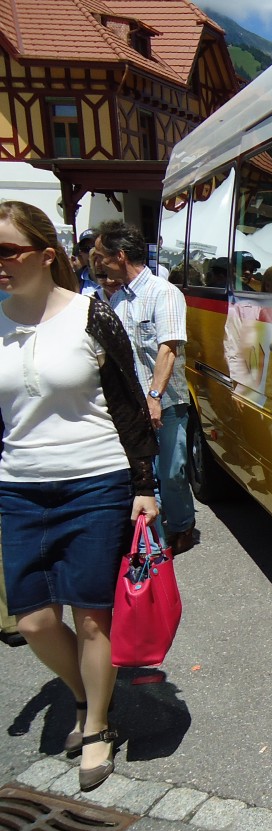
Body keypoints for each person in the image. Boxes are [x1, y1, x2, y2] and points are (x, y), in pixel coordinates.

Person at [0, 200, 159, 791]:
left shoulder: (91, 314)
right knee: (35, 620)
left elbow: (128, 404)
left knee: (93, 617)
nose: (0, 263)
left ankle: (95, 723)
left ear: (46, 254)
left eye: (8, 251)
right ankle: (80, 693)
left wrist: (146, 486)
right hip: (19, 487)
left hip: (95, 481)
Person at [92, 221, 197, 555]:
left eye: (101, 256)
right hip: (129, 405)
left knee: (171, 472)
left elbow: (169, 349)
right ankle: (154, 540)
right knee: (142, 475)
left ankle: (182, 525)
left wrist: (154, 396)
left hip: (166, 402)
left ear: (120, 256)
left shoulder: (163, 293)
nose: (98, 263)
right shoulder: (117, 298)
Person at [70, 229, 100, 296]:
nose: (91, 252)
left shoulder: (116, 279)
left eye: (94, 247)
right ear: (81, 253)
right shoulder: (73, 281)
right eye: (86, 248)